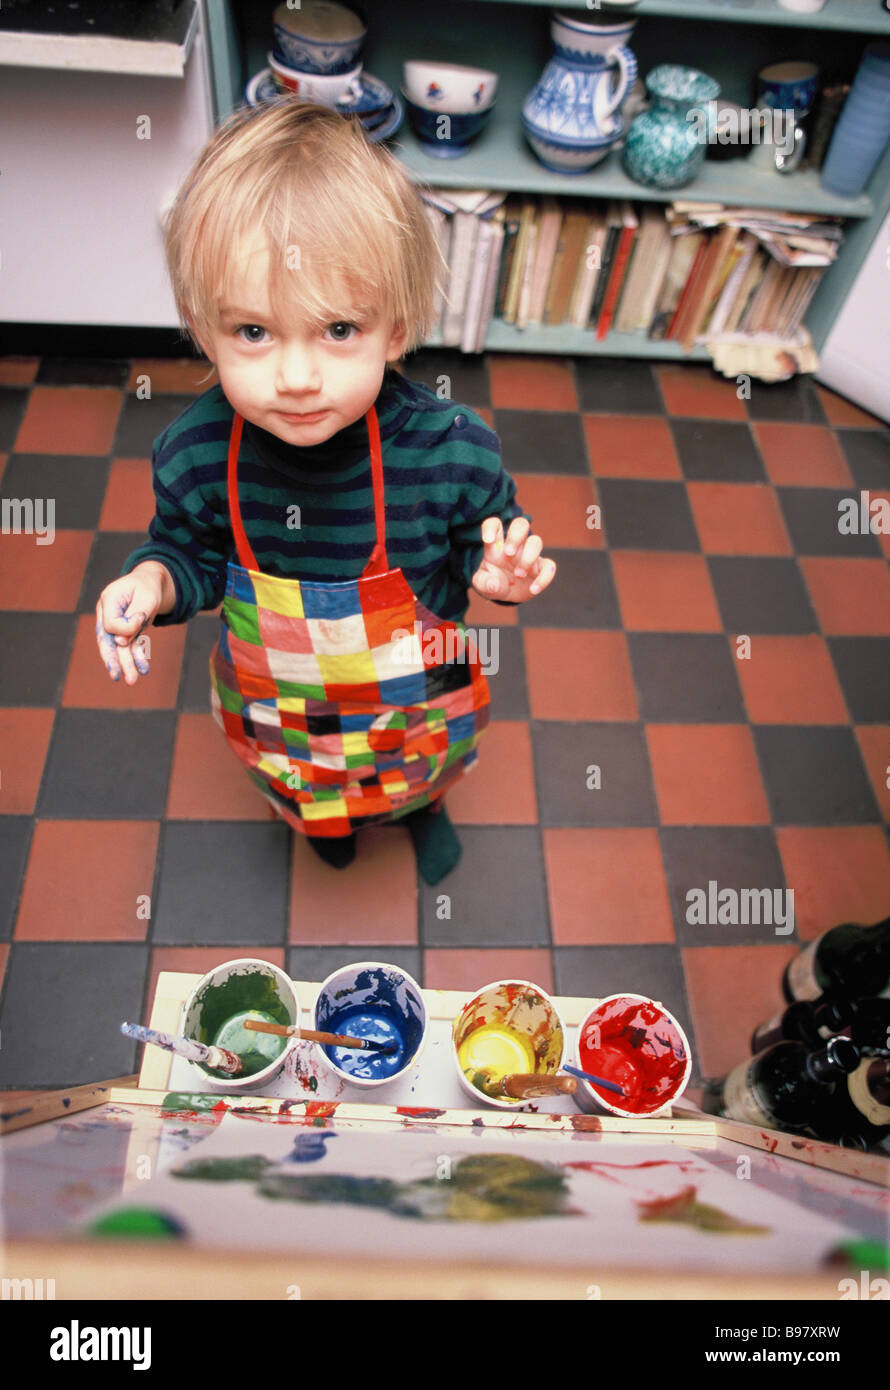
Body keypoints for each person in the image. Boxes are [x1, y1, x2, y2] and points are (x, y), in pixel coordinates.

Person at [95, 100, 557, 884]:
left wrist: (502, 575)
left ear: (397, 328)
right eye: (254, 332)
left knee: (420, 768)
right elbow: (187, 552)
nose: (298, 378)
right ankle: (328, 824)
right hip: (282, 706)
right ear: (202, 328)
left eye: (339, 330)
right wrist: (151, 581)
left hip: (413, 694)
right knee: (310, 789)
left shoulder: (449, 449)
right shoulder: (196, 454)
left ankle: (422, 812)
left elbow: (493, 528)